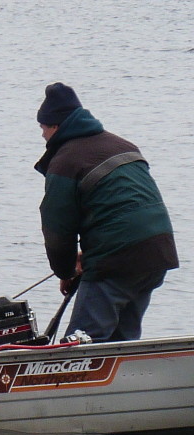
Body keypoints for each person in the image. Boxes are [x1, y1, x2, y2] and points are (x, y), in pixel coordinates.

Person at [34, 82, 178, 342]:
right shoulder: (122, 145)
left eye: (42, 128)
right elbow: (121, 210)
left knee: (83, 344)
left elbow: (57, 230)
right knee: (122, 343)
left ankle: (73, 382)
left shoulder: (66, 160)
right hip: (157, 252)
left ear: (56, 126)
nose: (42, 136)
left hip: (115, 261)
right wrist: (84, 258)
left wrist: (66, 271)